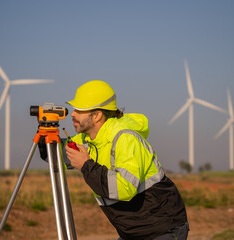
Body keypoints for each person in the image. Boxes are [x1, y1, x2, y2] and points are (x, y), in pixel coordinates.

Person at [51, 80, 188, 240]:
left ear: (97, 116)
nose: (72, 114)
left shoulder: (125, 138)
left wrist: (86, 165)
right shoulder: (87, 139)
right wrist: (46, 140)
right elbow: (60, 155)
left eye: (79, 110)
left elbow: (124, 189)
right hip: (133, 231)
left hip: (162, 228)